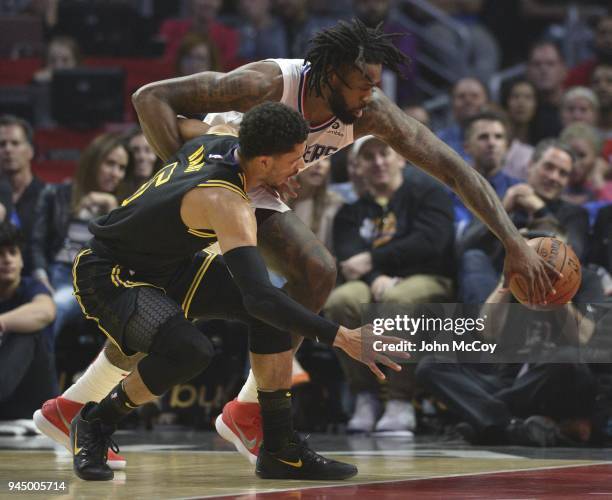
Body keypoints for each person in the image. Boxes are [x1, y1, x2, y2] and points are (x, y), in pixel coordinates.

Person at [40, 19, 557, 468]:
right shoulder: (264, 83)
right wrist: (189, 176)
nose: (370, 95)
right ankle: (128, 409)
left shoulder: (369, 111)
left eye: (376, 84)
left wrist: (512, 241)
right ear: (330, 76)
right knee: (261, 287)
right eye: (361, 85)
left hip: (253, 191)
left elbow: (451, 167)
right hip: (217, 185)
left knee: (305, 275)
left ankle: (98, 407)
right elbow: (150, 96)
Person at [66, 102, 403, 481]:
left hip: (168, 263)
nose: (299, 169)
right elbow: (258, 295)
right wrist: (342, 337)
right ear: (261, 161)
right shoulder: (228, 202)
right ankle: (95, 421)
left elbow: (182, 125)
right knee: (191, 350)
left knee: (274, 318)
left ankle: (280, 449)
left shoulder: (221, 137)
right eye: (293, 160)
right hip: (110, 272)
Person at [326, 134, 455, 434]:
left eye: (384, 153)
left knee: (398, 299)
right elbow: (349, 260)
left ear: (401, 158)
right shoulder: (350, 213)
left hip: (429, 277)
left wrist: (373, 261)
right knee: (340, 301)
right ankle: (365, 395)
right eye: (368, 157)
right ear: (356, 166)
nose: (379, 162)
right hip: (374, 282)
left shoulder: (429, 193)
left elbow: (432, 243)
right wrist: (375, 276)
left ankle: (399, 400)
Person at [30, 133, 128, 350]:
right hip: (51, 272)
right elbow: (36, 243)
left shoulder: (123, 206)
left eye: (121, 168)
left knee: (54, 308)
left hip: (84, 281)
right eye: (110, 164)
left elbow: (121, 253)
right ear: (93, 161)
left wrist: (111, 207)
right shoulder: (57, 194)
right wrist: (40, 278)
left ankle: (37, 378)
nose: (116, 174)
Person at [0, 222, 56, 423]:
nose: (7, 260)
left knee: (28, 332)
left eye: (12, 253)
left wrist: (2, 322)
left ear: (22, 260)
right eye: (0, 254)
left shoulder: (33, 287)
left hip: (34, 402)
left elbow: (45, 311)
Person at [0, 115, 45, 275]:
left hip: (39, 278)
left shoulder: (47, 195)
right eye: (2, 144)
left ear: (30, 151)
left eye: (15, 143)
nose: (8, 149)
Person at [435, 77, 490, 162]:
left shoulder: (500, 136)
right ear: (452, 103)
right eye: (461, 96)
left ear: (486, 101)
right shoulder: (439, 140)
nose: (468, 101)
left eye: (475, 96)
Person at [526, 41, 567, 143]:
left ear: (564, 70)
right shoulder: (520, 111)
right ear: (528, 71)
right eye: (537, 64)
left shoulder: (574, 108)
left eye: (550, 64)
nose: (543, 70)